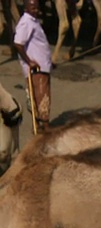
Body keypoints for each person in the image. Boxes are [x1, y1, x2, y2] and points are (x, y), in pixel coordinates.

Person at [13, 0, 52, 132]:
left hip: (43, 67)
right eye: (32, 7)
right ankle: (44, 127)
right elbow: (18, 44)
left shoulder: (33, 21)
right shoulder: (26, 22)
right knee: (41, 98)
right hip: (36, 69)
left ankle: (41, 127)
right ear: (26, 8)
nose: (36, 10)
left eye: (37, 7)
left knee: (39, 97)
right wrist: (29, 61)